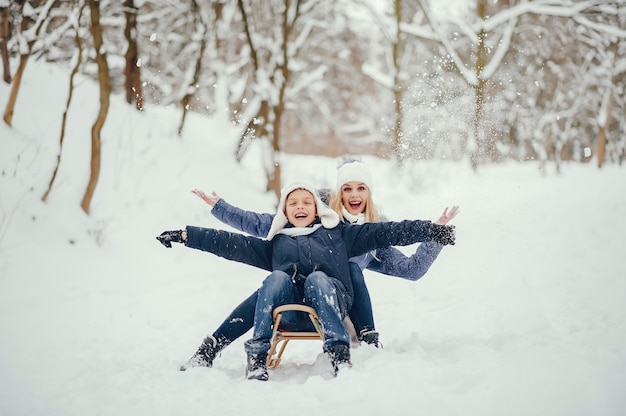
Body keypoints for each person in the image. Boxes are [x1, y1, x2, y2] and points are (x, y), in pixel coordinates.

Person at [157, 181, 456, 380]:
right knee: (272, 281)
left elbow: (388, 232)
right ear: (285, 212)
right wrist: (187, 236)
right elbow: (231, 243)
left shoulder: (341, 234)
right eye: (293, 203)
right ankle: (240, 354)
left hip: (330, 307)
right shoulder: (277, 243)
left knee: (317, 279)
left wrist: (430, 231)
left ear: (317, 208)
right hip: (288, 313)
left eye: (306, 202)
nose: (299, 207)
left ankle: (339, 354)